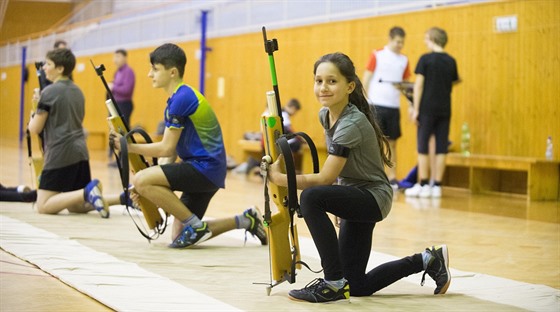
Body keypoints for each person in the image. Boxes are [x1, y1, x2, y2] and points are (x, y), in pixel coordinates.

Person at [268, 52, 450, 303]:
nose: (323, 87)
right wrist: (339, 205)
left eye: (332, 81)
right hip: (355, 195)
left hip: (372, 197)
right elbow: (340, 172)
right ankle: (428, 260)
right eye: (319, 81)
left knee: (311, 198)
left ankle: (332, 283)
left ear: (349, 86)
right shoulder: (326, 115)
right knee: (357, 285)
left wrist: (280, 179)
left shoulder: (351, 123)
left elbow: (325, 179)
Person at [111, 43, 267, 248]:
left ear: (172, 72)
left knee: (143, 181)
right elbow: (171, 153)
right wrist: (148, 186)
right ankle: (246, 219)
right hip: (205, 171)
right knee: (178, 237)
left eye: (155, 69)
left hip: (204, 170)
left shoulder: (182, 99)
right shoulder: (177, 99)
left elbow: (165, 148)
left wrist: (130, 150)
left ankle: (195, 225)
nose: (150, 74)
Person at [27, 48, 118, 217]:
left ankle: (86, 192)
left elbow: (34, 128)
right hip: (80, 152)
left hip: (60, 152)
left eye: (48, 64)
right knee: (77, 207)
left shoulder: (49, 92)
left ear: (60, 68)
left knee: (43, 205)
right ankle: (122, 198)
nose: (44, 68)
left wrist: (34, 109)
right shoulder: (78, 91)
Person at [405, 27, 460, 198]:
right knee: (441, 147)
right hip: (445, 108)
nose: (425, 41)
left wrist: (415, 109)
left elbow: (418, 85)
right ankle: (437, 186)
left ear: (433, 39)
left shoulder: (426, 59)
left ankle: (422, 184)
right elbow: (454, 82)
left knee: (422, 146)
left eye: (426, 38)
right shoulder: (451, 61)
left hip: (427, 108)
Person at [363, 26, 412, 190]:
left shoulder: (404, 60)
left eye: (402, 43)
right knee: (375, 142)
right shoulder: (377, 54)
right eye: (398, 42)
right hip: (375, 104)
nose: (400, 45)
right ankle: (373, 176)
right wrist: (362, 101)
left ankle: (392, 178)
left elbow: (406, 85)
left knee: (392, 143)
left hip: (393, 106)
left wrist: (411, 103)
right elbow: (367, 78)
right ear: (390, 39)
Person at [110, 49, 135, 128]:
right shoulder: (117, 72)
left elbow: (127, 90)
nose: (115, 59)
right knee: (113, 128)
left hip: (124, 104)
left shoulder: (128, 71)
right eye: (114, 57)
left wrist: (113, 87)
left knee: (122, 129)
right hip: (116, 103)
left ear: (125, 58)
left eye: (118, 57)